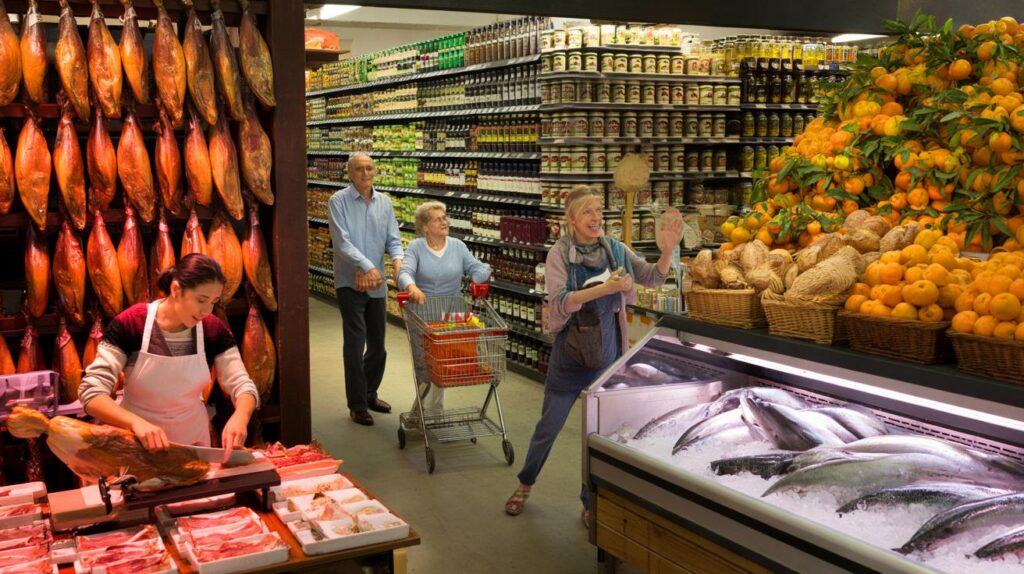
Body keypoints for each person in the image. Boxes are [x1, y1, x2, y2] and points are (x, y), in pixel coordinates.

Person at [504, 185, 683, 521]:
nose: (597, 217)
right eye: (588, 211)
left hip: (608, 354)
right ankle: (525, 483)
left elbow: (652, 278)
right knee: (549, 426)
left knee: (596, 436)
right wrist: (607, 288)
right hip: (570, 355)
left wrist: (667, 252)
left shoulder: (614, 248)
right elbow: (561, 302)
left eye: (599, 210)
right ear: (571, 219)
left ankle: (590, 502)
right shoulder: (558, 254)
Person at [79, 254, 260, 458]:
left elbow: (243, 385)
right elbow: (91, 392)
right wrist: (135, 422)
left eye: (213, 302)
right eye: (201, 300)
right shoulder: (131, 323)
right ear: (176, 289)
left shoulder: (212, 329)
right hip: (139, 447)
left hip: (195, 445)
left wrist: (241, 416)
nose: (206, 311)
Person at [328, 153, 404, 426]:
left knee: (378, 345)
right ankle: (357, 404)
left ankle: (370, 392)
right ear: (350, 173)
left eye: (369, 168)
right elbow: (341, 242)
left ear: (375, 171)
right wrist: (365, 266)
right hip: (349, 282)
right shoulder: (338, 201)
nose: (365, 173)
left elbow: (394, 240)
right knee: (355, 342)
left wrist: (398, 264)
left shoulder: (384, 203)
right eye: (359, 169)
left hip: (377, 284)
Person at [398, 201, 491, 413]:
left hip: (453, 312)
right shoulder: (416, 247)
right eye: (437, 219)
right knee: (426, 368)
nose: (444, 221)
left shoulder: (457, 246)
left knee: (447, 363)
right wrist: (411, 287)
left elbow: (477, 267)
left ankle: (431, 413)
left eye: (444, 217)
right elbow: (405, 271)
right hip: (423, 313)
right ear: (424, 226)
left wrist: (478, 276)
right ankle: (423, 414)